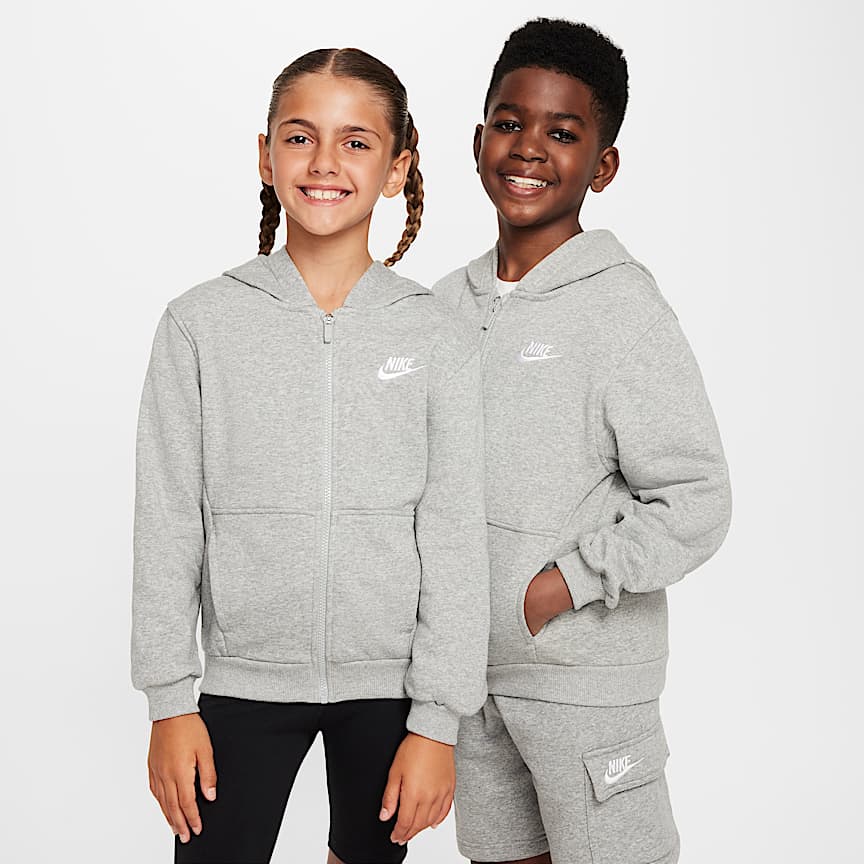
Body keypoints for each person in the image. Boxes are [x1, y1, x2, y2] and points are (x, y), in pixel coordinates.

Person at [131, 47, 489, 864]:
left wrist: (439, 721)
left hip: (392, 692)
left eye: (356, 142)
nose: (325, 162)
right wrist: (169, 701)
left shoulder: (437, 335)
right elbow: (166, 521)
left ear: (397, 170)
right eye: (300, 137)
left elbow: (455, 537)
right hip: (241, 684)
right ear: (266, 157)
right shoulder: (200, 324)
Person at [433, 18, 732, 864]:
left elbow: (698, 499)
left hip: (587, 685)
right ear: (479, 140)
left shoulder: (622, 310)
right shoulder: (440, 310)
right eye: (509, 122)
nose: (529, 147)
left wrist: (561, 585)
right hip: (468, 688)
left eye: (562, 133)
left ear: (602, 166)